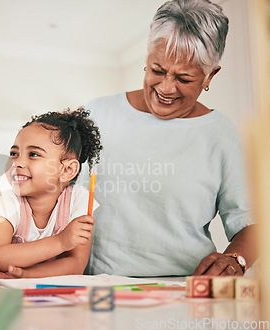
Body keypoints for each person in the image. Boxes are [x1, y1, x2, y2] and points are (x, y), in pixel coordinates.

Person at [84, 0, 256, 278]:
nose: (165, 89)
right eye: (157, 70)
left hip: (186, 289)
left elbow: (249, 223)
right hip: (99, 286)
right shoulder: (97, 114)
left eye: (184, 79)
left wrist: (235, 260)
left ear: (210, 75)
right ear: (147, 58)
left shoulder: (220, 133)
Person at [0, 108, 103, 278]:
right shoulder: (7, 202)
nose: (18, 162)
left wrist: (26, 275)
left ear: (67, 170)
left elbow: (76, 265)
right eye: (14, 153)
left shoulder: (78, 199)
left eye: (34, 154)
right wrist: (60, 242)